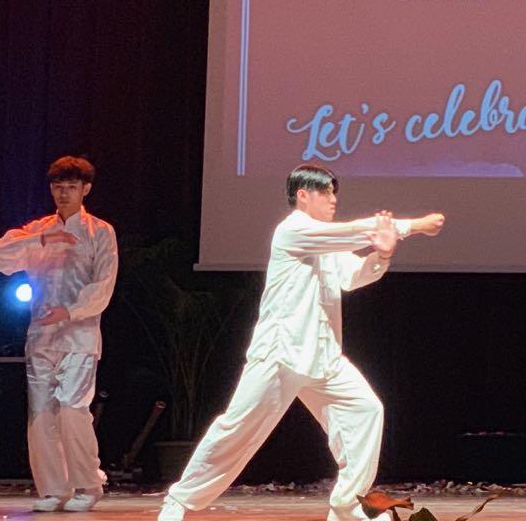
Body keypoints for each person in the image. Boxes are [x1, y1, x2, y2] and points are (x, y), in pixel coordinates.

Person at [157, 165, 444, 521]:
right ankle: (180, 499)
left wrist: (381, 255)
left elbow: (353, 277)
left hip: (324, 357)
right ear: (303, 195)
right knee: (238, 429)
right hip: (281, 354)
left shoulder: (326, 244)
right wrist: (415, 225)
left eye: (335, 193)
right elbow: (355, 231)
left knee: (366, 410)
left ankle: (348, 505)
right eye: (326, 192)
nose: (334, 200)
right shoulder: (293, 230)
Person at [0, 156, 120, 513]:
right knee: (41, 414)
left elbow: (104, 283)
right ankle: (53, 488)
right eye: (58, 187)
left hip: (79, 335)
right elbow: (3, 255)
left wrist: (71, 311)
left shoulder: (100, 232)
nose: (64, 194)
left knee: (72, 408)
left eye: (71, 187)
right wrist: (43, 238)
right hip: (42, 337)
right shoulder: (39, 229)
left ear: (85, 189)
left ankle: (88, 484)